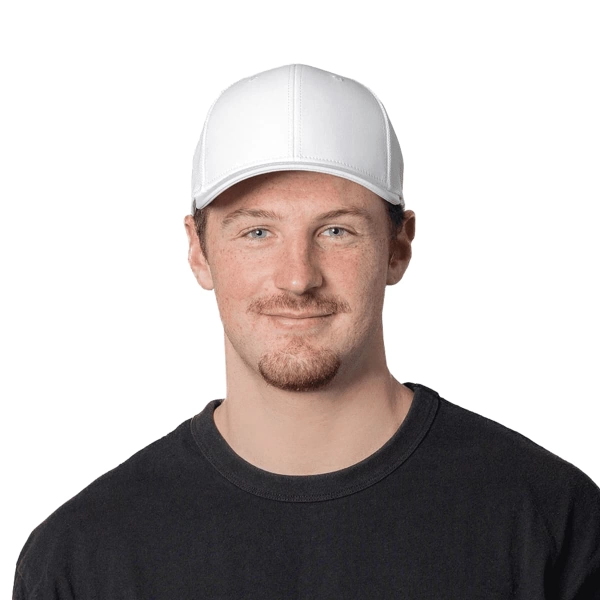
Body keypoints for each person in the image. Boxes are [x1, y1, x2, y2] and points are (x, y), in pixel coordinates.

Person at [13, 64, 600, 599]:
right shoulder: (82, 558)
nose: (298, 278)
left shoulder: (553, 522)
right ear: (198, 250)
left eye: (336, 231)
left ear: (398, 247)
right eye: (257, 232)